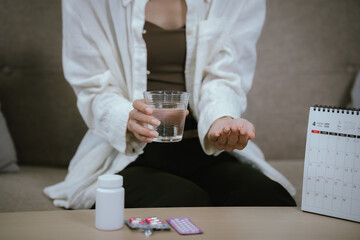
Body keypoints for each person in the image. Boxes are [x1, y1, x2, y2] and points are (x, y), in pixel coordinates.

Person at [44, 0, 296, 209]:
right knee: (184, 203)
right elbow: (92, 85)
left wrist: (221, 118)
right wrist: (126, 117)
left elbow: (226, 75)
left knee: (268, 198)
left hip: (204, 145)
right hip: (129, 153)